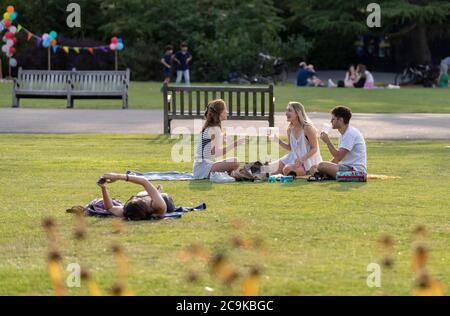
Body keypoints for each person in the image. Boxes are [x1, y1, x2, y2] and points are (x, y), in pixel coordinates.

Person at [193, 99, 246, 179]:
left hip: (201, 169)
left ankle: (230, 174)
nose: (227, 112)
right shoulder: (215, 129)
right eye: (225, 109)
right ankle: (230, 174)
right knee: (235, 161)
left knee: (234, 162)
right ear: (220, 113)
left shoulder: (211, 127)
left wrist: (221, 139)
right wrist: (235, 144)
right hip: (204, 169)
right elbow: (216, 153)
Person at [310, 106, 367, 179]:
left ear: (340, 120)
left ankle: (322, 175)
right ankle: (321, 175)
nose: (331, 121)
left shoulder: (350, 133)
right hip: (345, 168)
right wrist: (325, 166)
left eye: (333, 119)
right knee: (314, 167)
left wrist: (327, 141)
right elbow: (337, 159)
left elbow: (338, 157)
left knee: (321, 165)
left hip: (356, 171)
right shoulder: (343, 135)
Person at [269, 102, 322, 176]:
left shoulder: (307, 128)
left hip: (307, 162)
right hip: (292, 158)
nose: (286, 113)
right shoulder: (290, 129)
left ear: (297, 113)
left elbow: (314, 148)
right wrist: (278, 141)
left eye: (289, 111)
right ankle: (250, 171)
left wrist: (302, 159)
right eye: (286, 110)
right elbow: (291, 148)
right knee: (267, 168)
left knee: (287, 169)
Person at [96, 173, 175, 220]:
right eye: (136, 198)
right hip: (166, 202)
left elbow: (109, 207)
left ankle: (156, 192)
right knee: (162, 195)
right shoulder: (159, 206)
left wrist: (103, 188)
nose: (133, 196)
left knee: (143, 194)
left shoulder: (127, 212)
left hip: (147, 201)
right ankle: (158, 192)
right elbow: (144, 181)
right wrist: (118, 176)